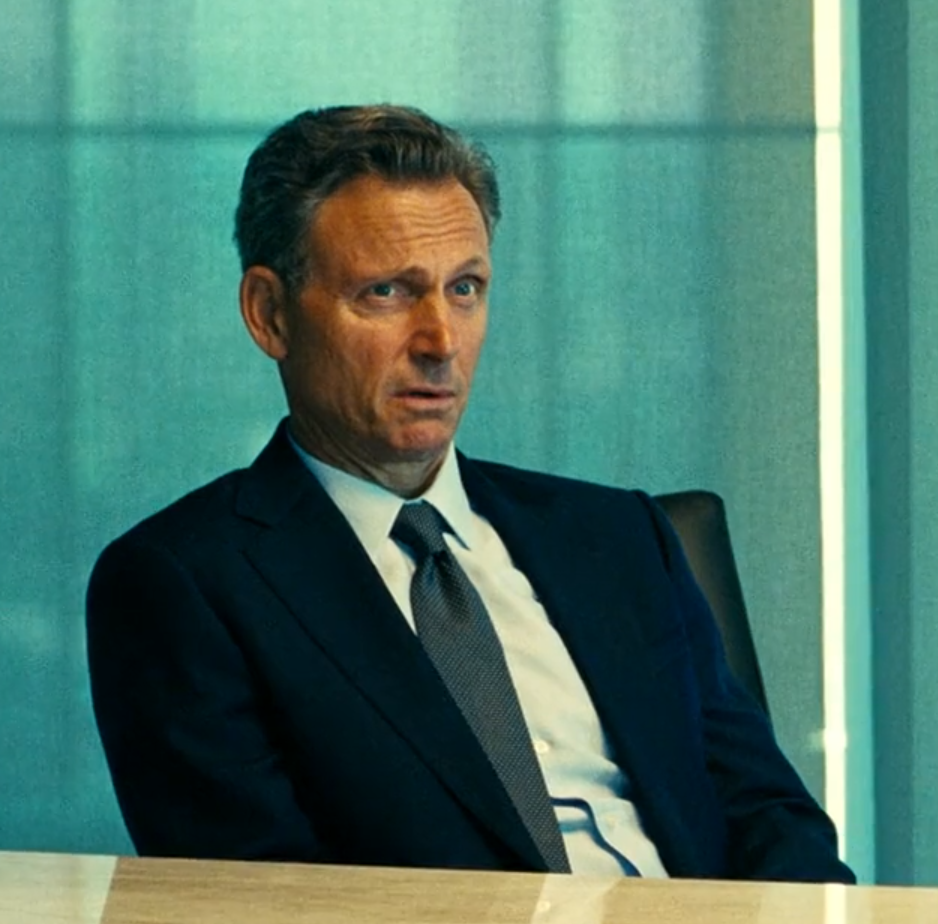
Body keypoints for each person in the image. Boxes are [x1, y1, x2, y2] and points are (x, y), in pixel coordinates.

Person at [87, 105, 854, 883]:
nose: (441, 341)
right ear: (270, 313)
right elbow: (264, 906)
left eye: (465, 288)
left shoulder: (621, 536)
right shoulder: (183, 584)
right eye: (387, 292)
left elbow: (769, 817)